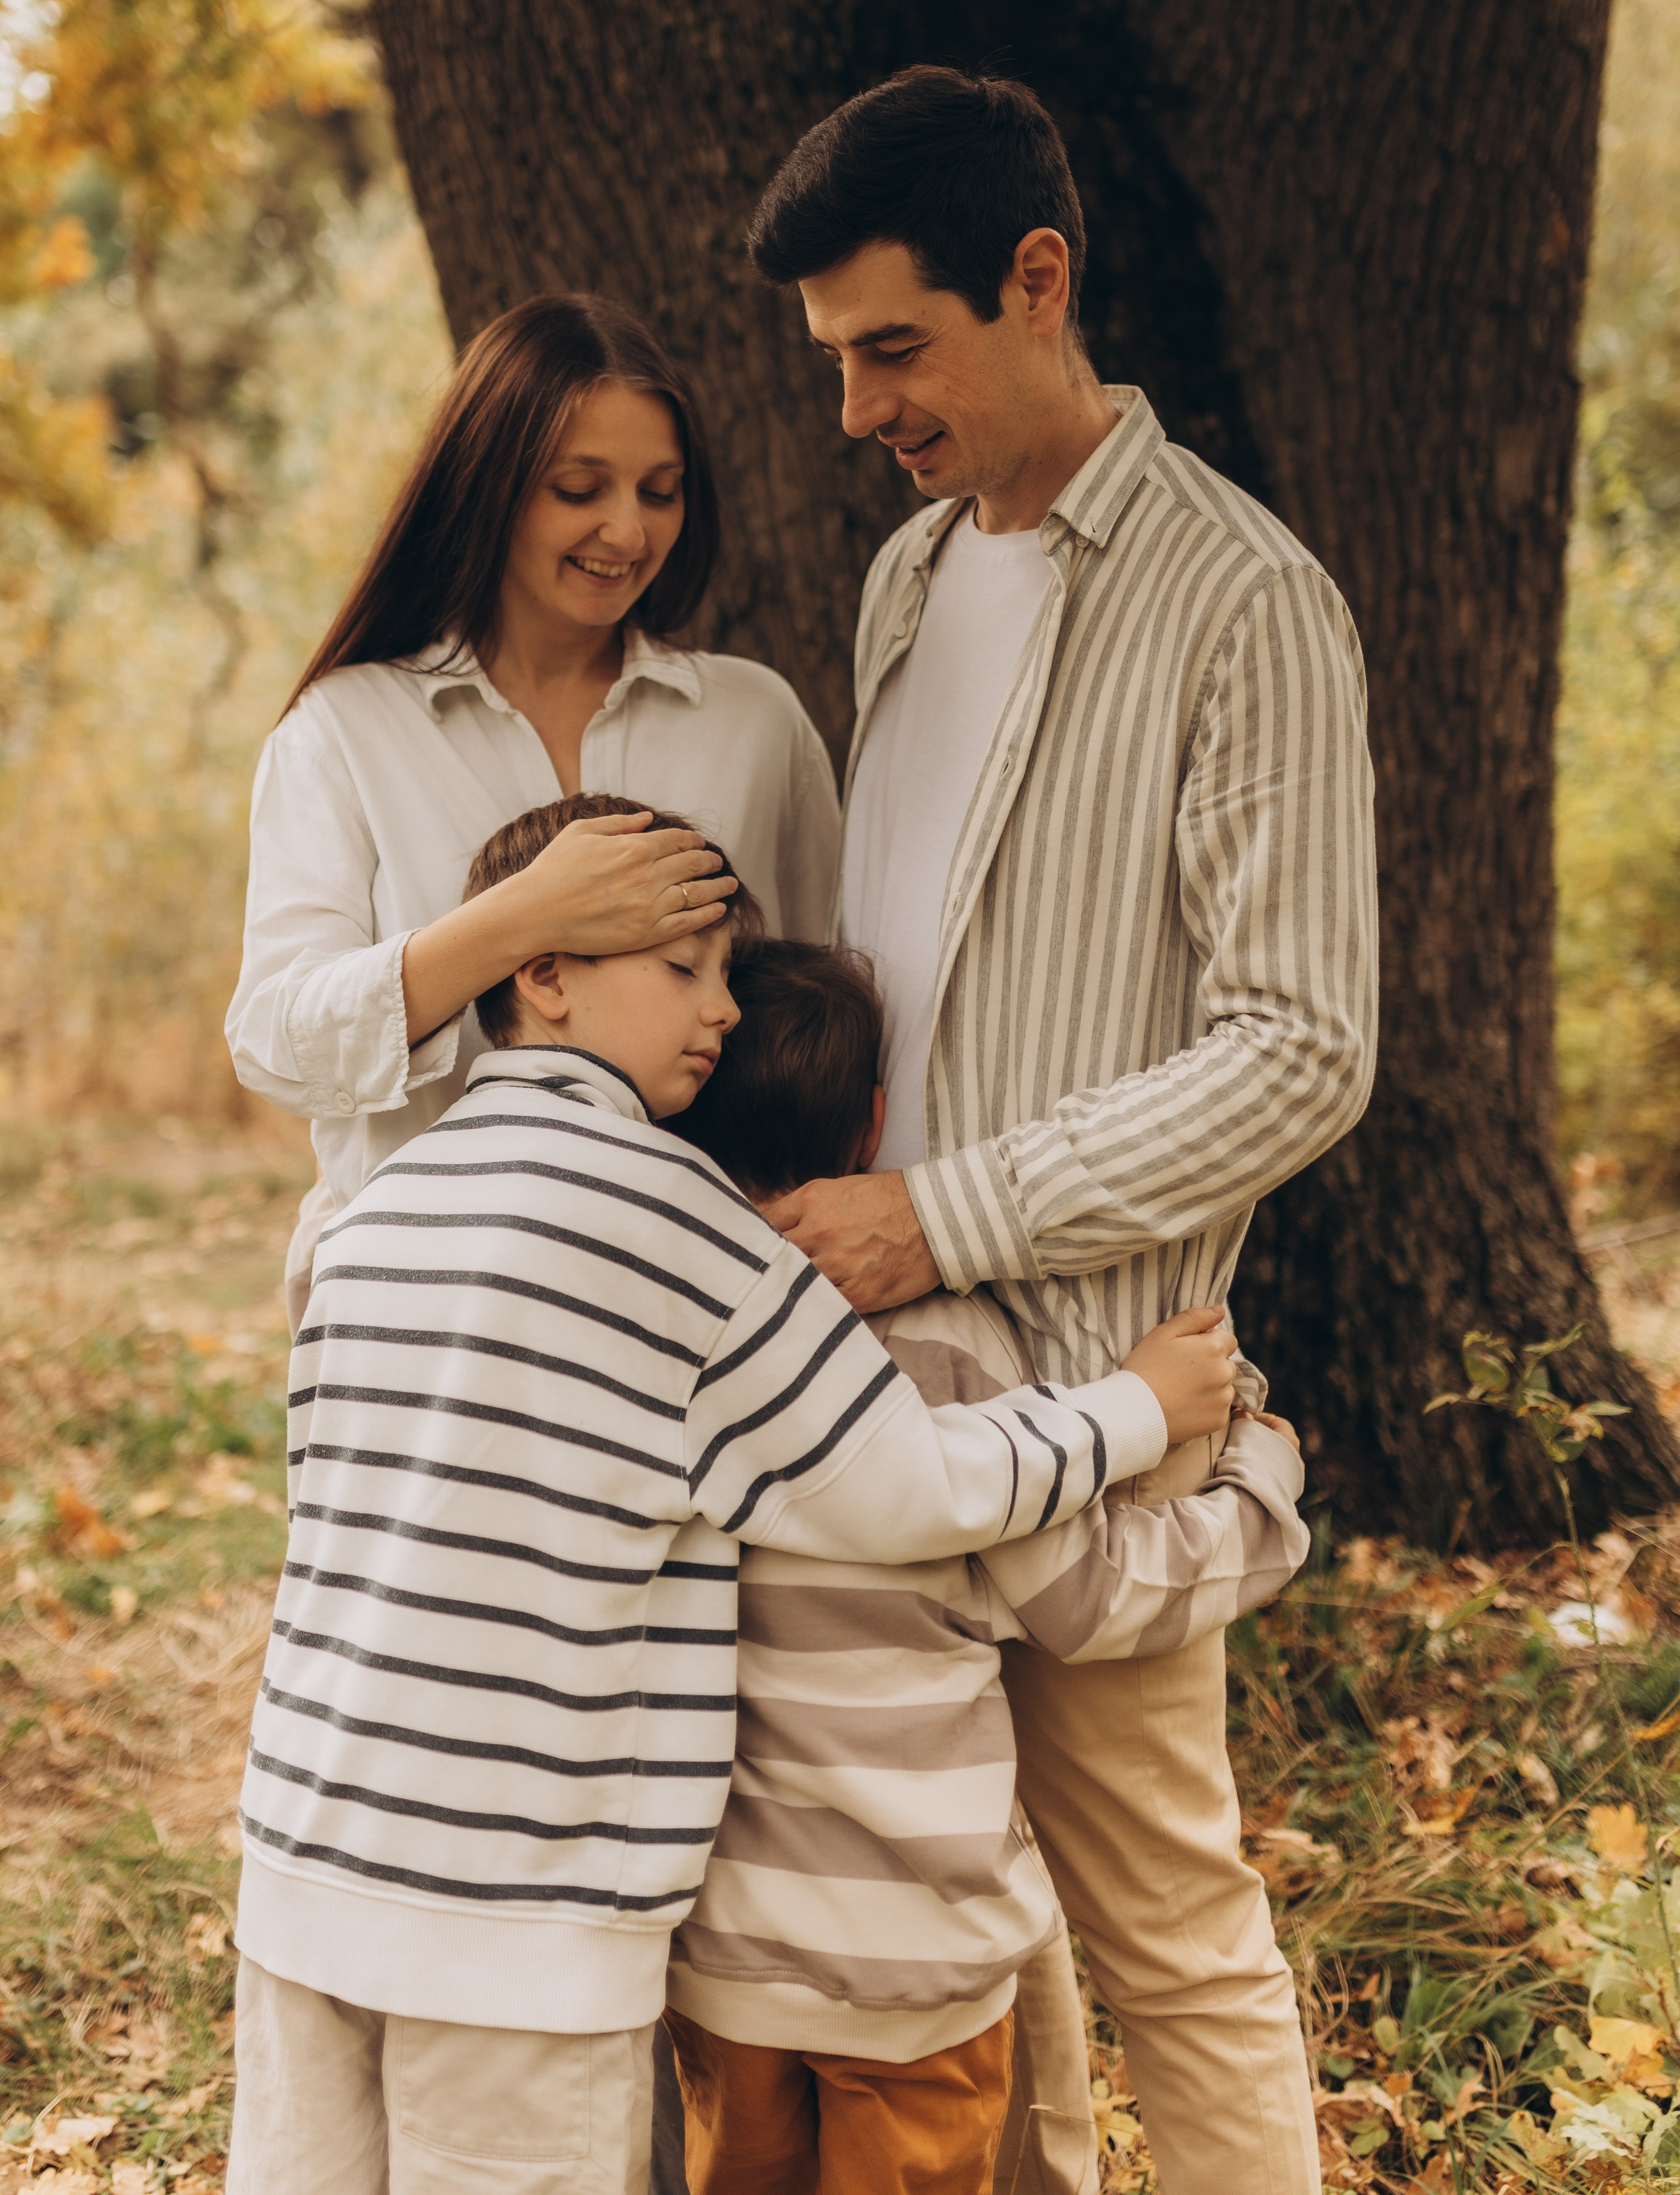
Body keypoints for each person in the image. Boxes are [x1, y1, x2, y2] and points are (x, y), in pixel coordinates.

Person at [226, 798, 1236, 2195]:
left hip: (301, 1861)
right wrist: (1135, 1409)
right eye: (681, 967)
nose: (719, 1015)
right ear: (544, 973)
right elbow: (910, 1488)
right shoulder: (679, 1226)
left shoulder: (371, 1211)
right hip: (517, 1912)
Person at [747, 67, 1380, 2192]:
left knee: (1169, 1939)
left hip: (1107, 1394)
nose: (858, 413)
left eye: (893, 352)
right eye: (836, 363)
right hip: (884, 1412)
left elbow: (1306, 1046)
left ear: (1039, 281)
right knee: (962, 1959)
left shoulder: (1244, 601)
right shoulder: (907, 584)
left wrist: (954, 1214)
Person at [663, 941, 1309, 2195]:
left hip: (723, 1953)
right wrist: (1261, 1487)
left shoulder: (664, 1326)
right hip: (915, 1963)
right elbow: (1095, 1596)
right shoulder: (949, 1353)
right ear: (875, 1124)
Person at [224, 291, 840, 1333]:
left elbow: (813, 1019)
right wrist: (524, 919)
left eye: (662, 491)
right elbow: (277, 1045)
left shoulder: (754, 722)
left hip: (694, 1313)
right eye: (578, 489)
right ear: (491, 486)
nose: (628, 530)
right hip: (427, 1321)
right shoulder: (345, 730)